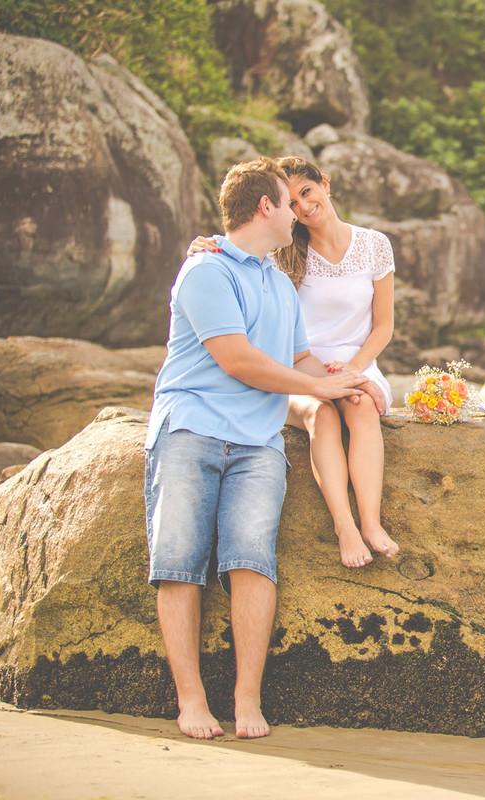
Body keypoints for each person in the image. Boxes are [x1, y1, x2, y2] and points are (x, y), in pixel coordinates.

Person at [146, 157, 371, 740]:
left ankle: (247, 700)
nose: (297, 213)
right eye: (287, 203)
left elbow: (299, 359)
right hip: (191, 428)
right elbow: (238, 360)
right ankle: (191, 701)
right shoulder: (206, 270)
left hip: (258, 443)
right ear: (265, 206)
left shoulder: (276, 280)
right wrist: (317, 389)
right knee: (179, 563)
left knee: (253, 561)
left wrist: (346, 383)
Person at [189, 156, 399, 569]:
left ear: (325, 183)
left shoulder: (375, 244)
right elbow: (241, 248)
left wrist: (354, 370)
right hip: (298, 366)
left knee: (360, 405)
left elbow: (384, 325)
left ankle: (371, 523)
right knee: (323, 412)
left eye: (307, 192)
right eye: (293, 201)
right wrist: (205, 246)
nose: (303, 207)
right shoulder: (284, 250)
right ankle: (344, 526)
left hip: (358, 362)